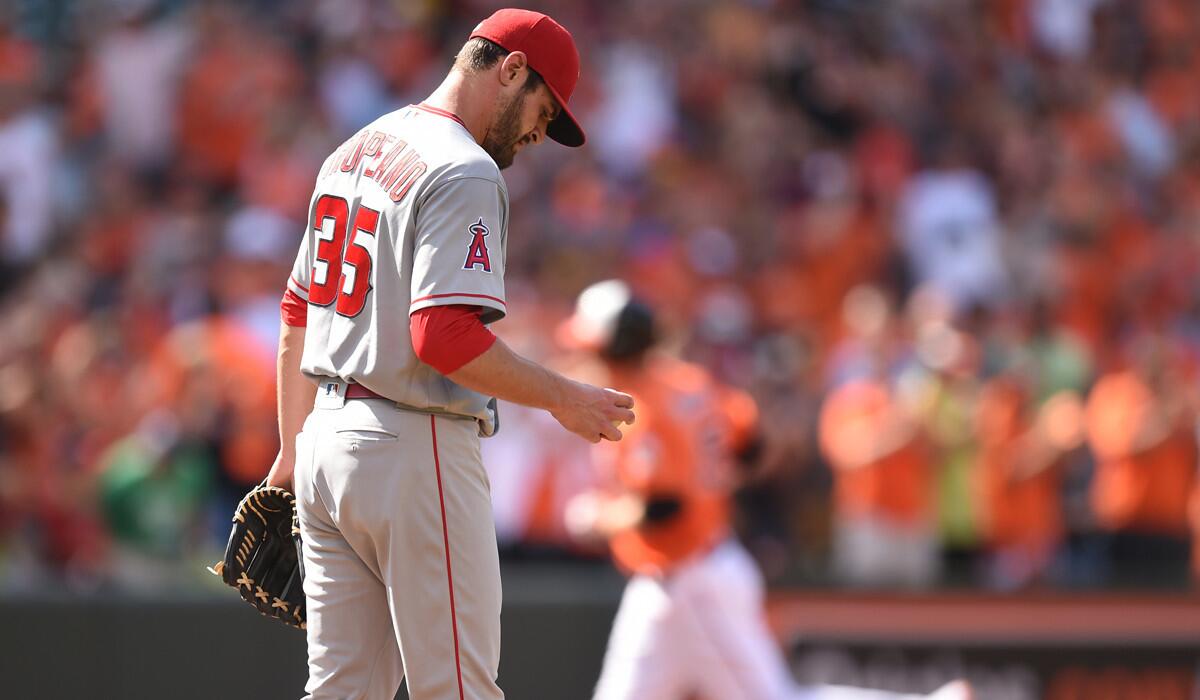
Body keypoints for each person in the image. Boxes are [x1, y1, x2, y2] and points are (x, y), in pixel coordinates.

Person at [264, 10, 636, 700]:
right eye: (542, 108)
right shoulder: (463, 167)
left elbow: (297, 312)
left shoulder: (354, 149)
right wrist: (566, 396)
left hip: (323, 444)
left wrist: (291, 454)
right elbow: (442, 337)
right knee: (457, 690)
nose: (537, 133)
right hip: (412, 443)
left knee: (342, 692)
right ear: (511, 68)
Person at [562, 280, 970, 700]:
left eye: (589, 349)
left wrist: (598, 517)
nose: (582, 358)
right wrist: (712, 481)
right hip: (673, 578)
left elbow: (666, 507)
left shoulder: (643, 408)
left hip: (691, 578)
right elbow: (751, 446)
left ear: (610, 350)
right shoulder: (688, 382)